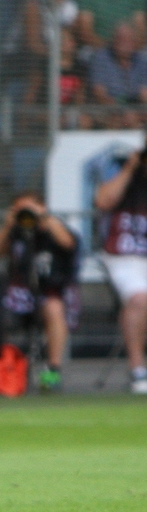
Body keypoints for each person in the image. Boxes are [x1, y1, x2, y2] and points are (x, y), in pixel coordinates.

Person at [0, 192, 80, 392]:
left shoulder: (54, 227)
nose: (25, 214)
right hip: (20, 291)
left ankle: (53, 370)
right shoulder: (16, 231)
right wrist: (9, 225)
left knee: (54, 308)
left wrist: (43, 217)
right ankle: (1, 370)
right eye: (20, 209)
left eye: (28, 208)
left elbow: (68, 243)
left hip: (53, 290)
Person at [93, 146, 147, 394]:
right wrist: (131, 166)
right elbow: (103, 200)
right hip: (124, 256)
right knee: (139, 299)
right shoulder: (126, 175)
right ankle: (138, 370)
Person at [88, 22, 147, 128]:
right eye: (119, 38)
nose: (123, 43)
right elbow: (99, 93)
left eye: (128, 39)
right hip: (107, 109)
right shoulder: (101, 58)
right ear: (113, 40)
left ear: (134, 42)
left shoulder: (141, 60)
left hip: (136, 108)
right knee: (124, 119)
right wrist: (121, 110)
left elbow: (144, 93)